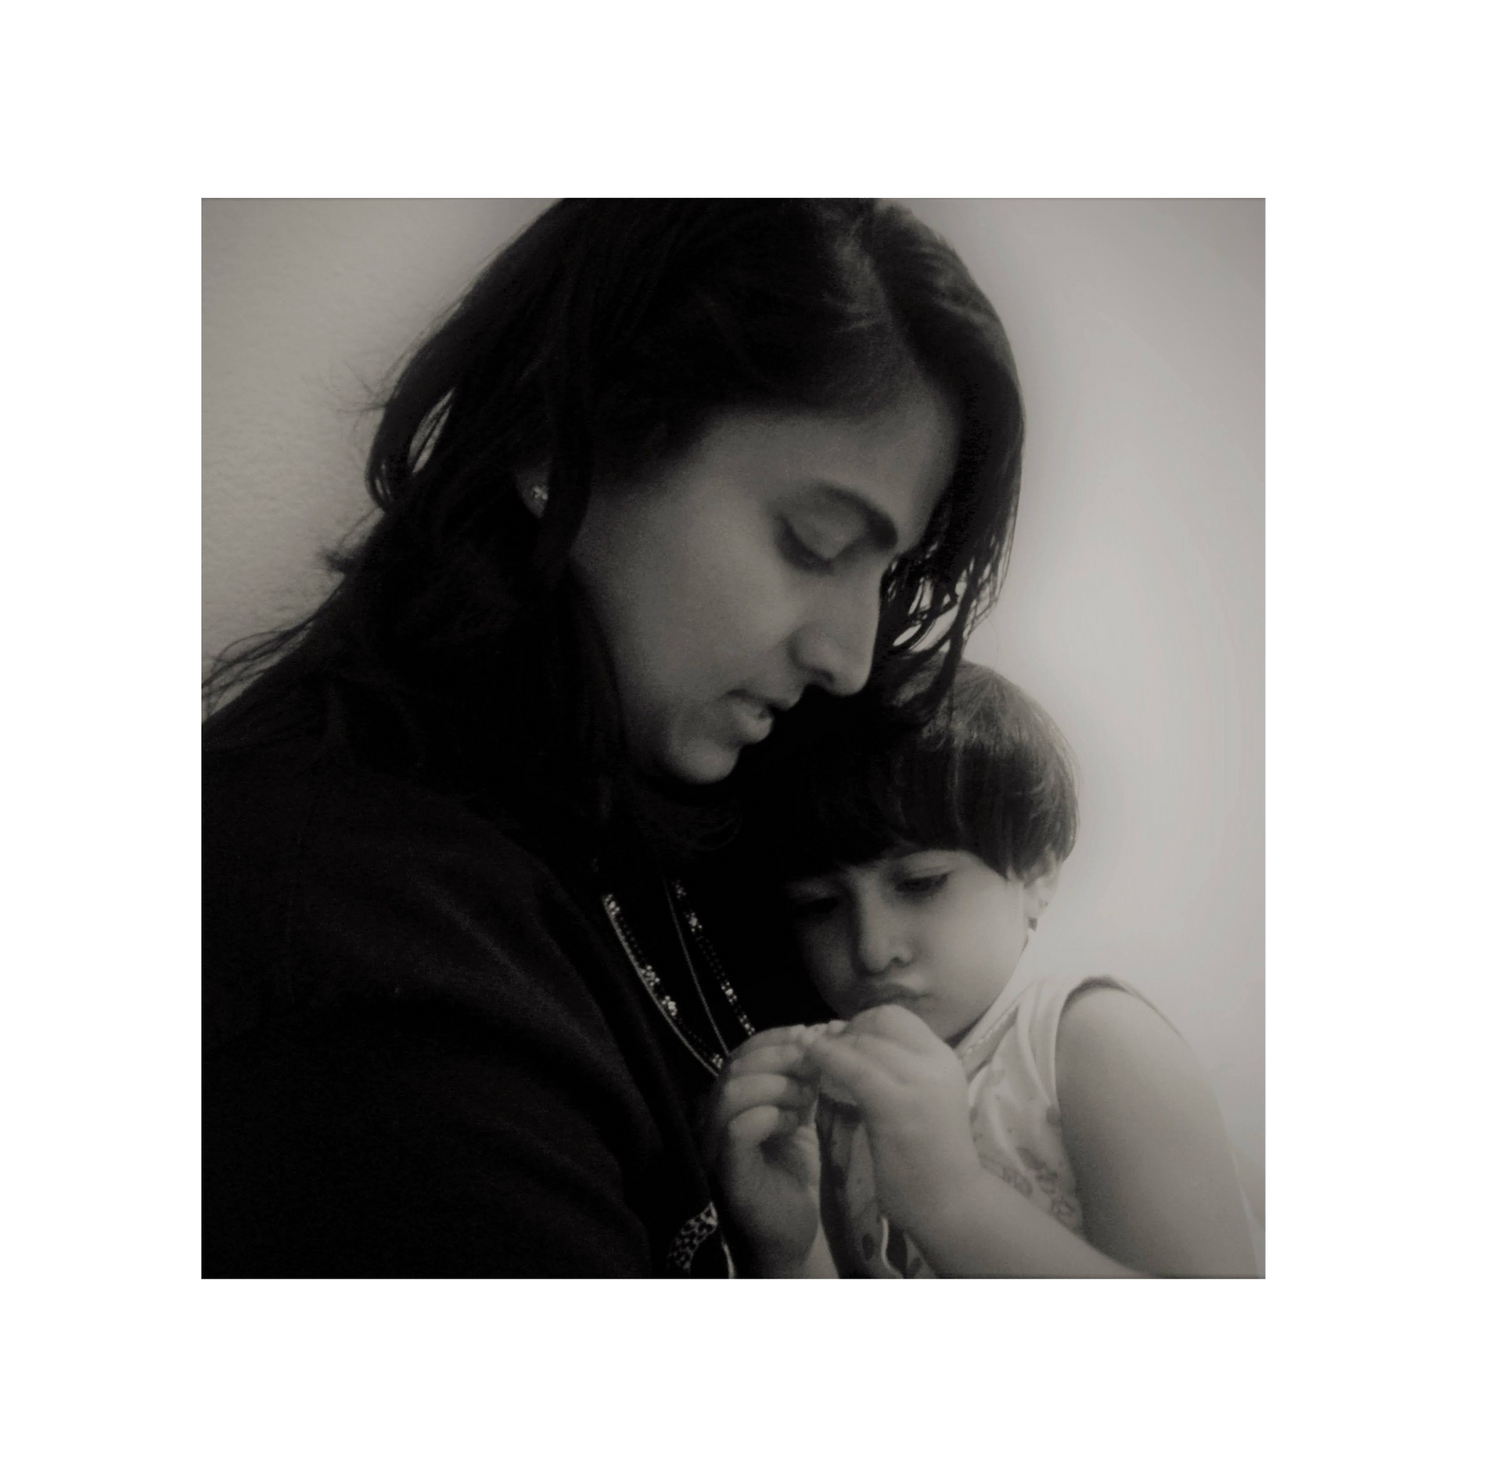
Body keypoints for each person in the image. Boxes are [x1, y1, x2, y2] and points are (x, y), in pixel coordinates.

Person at [201, 199, 1026, 1277]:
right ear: (560, 436)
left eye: (889, 571)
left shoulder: (707, 798)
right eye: (814, 542)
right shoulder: (348, 947)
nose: (851, 658)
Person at [708, 663, 1258, 1277]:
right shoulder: (833, 1099)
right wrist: (791, 1250)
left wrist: (953, 1202)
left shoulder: (1093, 1040)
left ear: (1037, 873)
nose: (872, 949)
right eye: (819, 906)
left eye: (922, 883)